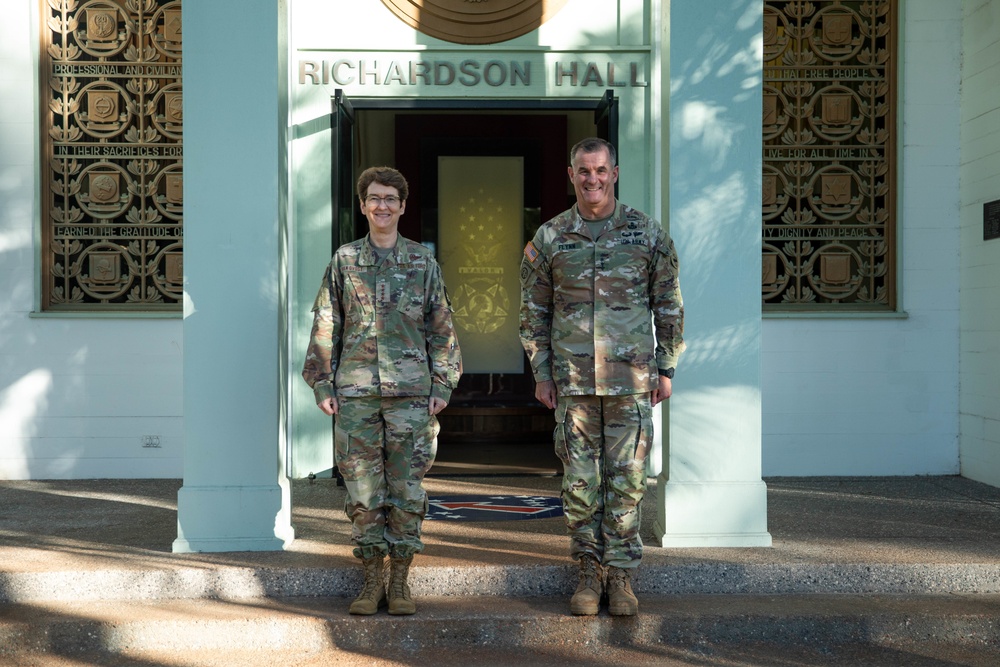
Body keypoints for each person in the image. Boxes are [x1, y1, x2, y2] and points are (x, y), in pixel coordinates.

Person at [519, 137, 684, 616]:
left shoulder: (646, 234)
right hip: (573, 384)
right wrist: (542, 373)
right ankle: (588, 573)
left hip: (631, 381)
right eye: (583, 171)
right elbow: (533, 312)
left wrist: (666, 366)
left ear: (615, 172)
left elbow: (669, 304)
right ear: (571, 175)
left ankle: (623, 578)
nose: (592, 178)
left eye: (600, 169)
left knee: (629, 481)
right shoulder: (549, 238)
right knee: (580, 483)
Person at [302, 166, 462, 616]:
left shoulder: (421, 262)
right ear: (363, 205)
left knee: (407, 488)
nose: (383, 205)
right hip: (355, 393)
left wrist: (443, 382)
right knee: (362, 491)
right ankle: (371, 580)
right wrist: (322, 381)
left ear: (403, 206)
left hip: (412, 395)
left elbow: (441, 326)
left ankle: (401, 581)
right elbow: (326, 321)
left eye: (391, 198)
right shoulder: (345, 260)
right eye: (374, 198)